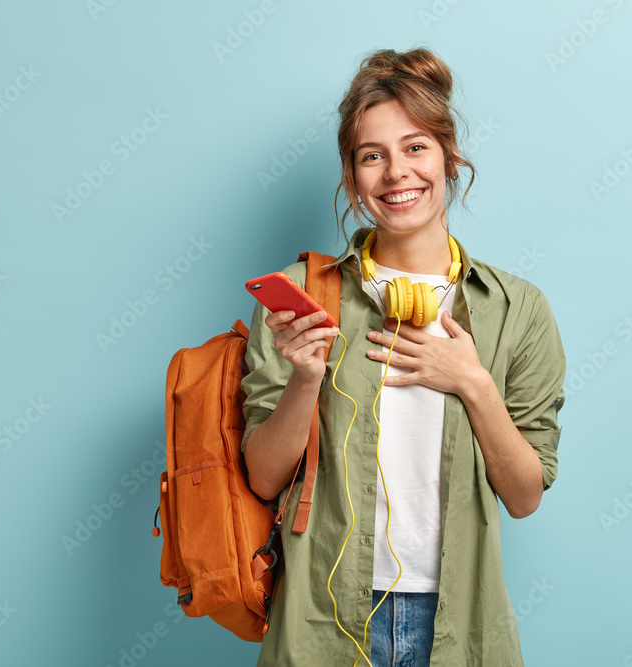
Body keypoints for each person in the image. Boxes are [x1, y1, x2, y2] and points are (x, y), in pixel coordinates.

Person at [240, 47, 566, 667]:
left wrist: (473, 382)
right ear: (351, 175)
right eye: (372, 155)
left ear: (449, 158)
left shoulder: (516, 309)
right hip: (322, 615)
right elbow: (262, 478)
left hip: (459, 619)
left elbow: (524, 497)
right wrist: (305, 377)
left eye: (415, 147)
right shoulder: (303, 297)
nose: (396, 172)